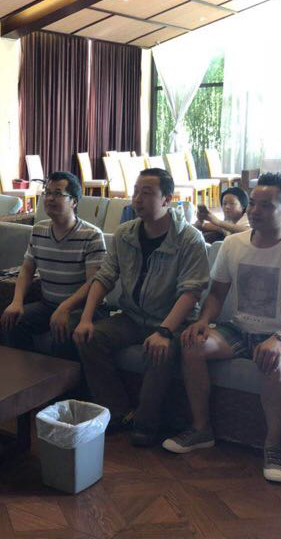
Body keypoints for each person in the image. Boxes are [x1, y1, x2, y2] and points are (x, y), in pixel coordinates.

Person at [163, 173, 281, 483]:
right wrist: (202, 321)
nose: (254, 211)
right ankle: (201, 430)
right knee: (192, 345)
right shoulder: (232, 244)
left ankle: (273, 446)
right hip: (239, 329)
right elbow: (216, 296)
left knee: (273, 361)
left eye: (266, 205)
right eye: (252, 203)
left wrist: (279, 337)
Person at [73, 168, 210, 446]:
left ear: (167, 199)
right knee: (91, 337)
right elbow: (104, 278)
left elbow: (191, 293)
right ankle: (119, 412)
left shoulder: (189, 239)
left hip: (172, 321)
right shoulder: (125, 233)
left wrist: (164, 331)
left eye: (146, 193)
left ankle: (146, 425)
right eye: (136, 191)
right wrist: (86, 318)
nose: (137, 199)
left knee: (159, 350)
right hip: (132, 317)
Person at [1, 172, 105, 356]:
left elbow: (93, 282)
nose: (49, 198)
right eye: (47, 193)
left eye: (57, 193)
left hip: (83, 309)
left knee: (61, 333)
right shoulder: (39, 229)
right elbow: (27, 269)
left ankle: (63, 375)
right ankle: (24, 371)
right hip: (48, 305)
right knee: (13, 320)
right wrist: (16, 302)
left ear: (74, 202)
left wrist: (65, 308)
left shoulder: (92, 235)